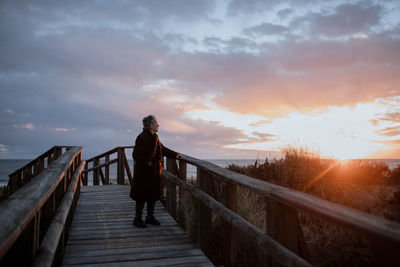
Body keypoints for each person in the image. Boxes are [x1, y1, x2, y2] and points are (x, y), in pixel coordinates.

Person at [130, 115, 181, 228]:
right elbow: (135, 155)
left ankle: (150, 217)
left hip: (153, 172)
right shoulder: (142, 137)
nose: (158, 125)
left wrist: (175, 154)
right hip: (144, 172)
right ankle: (137, 219)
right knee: (141, 196)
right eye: (157, 123)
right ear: (151, 125)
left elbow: (163, 149)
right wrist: (146, 162)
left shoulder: (155, 137)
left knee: (152, 195)